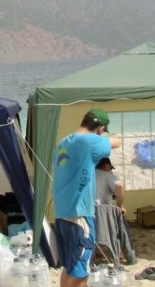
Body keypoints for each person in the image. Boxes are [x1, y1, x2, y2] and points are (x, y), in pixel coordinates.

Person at [53, 108, 121, 287]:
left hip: (61, 213)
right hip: (80, 215)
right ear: (100, 128)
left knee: (69, 267)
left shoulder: (63, 142)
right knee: (81, 273)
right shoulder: (90, 141)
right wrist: (109, 135)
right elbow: (117, 142)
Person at [95, 157, 137, 265]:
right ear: (106, 166)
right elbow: (120, 186)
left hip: (86, 212)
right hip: (103, 211)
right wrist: (120, 206)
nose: (111, 170)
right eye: (110, 168)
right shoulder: (106, 175)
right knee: (120, 219)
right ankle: (130, 257)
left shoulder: (86, 174)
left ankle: (97, 251)